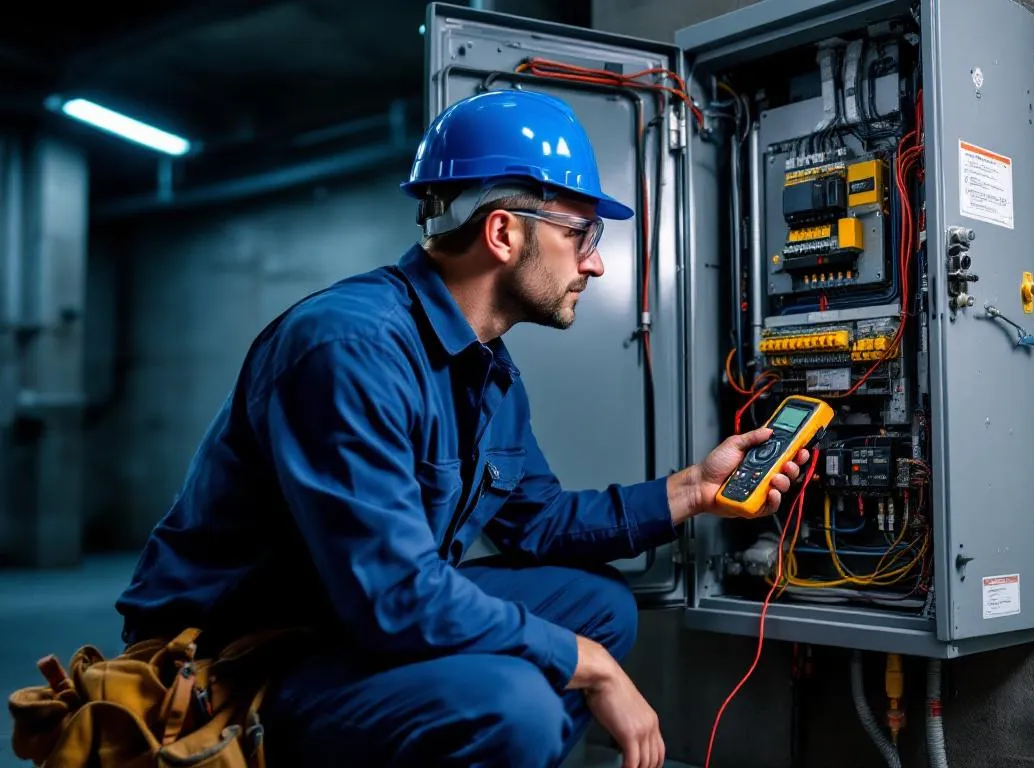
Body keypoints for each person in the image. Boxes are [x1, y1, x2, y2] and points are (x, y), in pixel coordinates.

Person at [113, 89, 808, 768]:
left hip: (342, 618)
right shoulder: (347, 348)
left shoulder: (484, 370)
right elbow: (394, 596)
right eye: (580, 234)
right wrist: (587, 668)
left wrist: (691, 490)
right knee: (514, 705)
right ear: (504, 232)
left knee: (598, 606)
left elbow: (538, 524)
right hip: (243, 660)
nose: (594, 262)